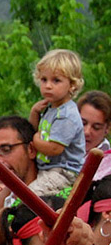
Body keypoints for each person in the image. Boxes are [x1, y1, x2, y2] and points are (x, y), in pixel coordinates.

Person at [29, 48, 86, 196]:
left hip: (64, 171)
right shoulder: (51, 107)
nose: (48, 85)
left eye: (56, 80)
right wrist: (34, 112)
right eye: (44, 80)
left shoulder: (66, 114)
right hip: (48, 167)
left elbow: (55, 148)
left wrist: (35, 141)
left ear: (72, 85)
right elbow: (33, 129)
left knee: (31, 195)